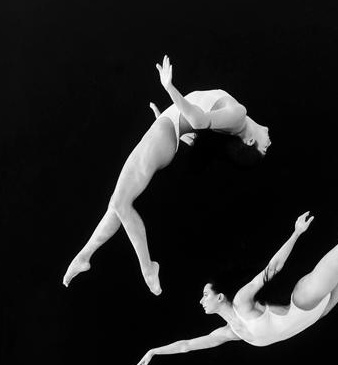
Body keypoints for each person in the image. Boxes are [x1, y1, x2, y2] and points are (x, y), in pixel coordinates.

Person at [135, 151, 338, 365]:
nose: (201, 299)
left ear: (221, 296)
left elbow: (273, 269)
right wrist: (154, 351)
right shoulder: (231, 332)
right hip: (319, 313)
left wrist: (295, 234)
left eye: (205, 294)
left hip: (304, 301)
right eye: (204, 295)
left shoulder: (241, 301)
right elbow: (186, 346)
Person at [63, 55, 271, 295]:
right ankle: (85, 256)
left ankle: (147, 267)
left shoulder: (239, 115)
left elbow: (200, 120)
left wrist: (170, 88)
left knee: (121, 203)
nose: (269, 143)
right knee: (117, 204)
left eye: (264, 148)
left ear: (251, 141)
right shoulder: (234, 123)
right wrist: (167, 117)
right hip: (166, 131)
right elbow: (194, 126)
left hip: (165, 133)